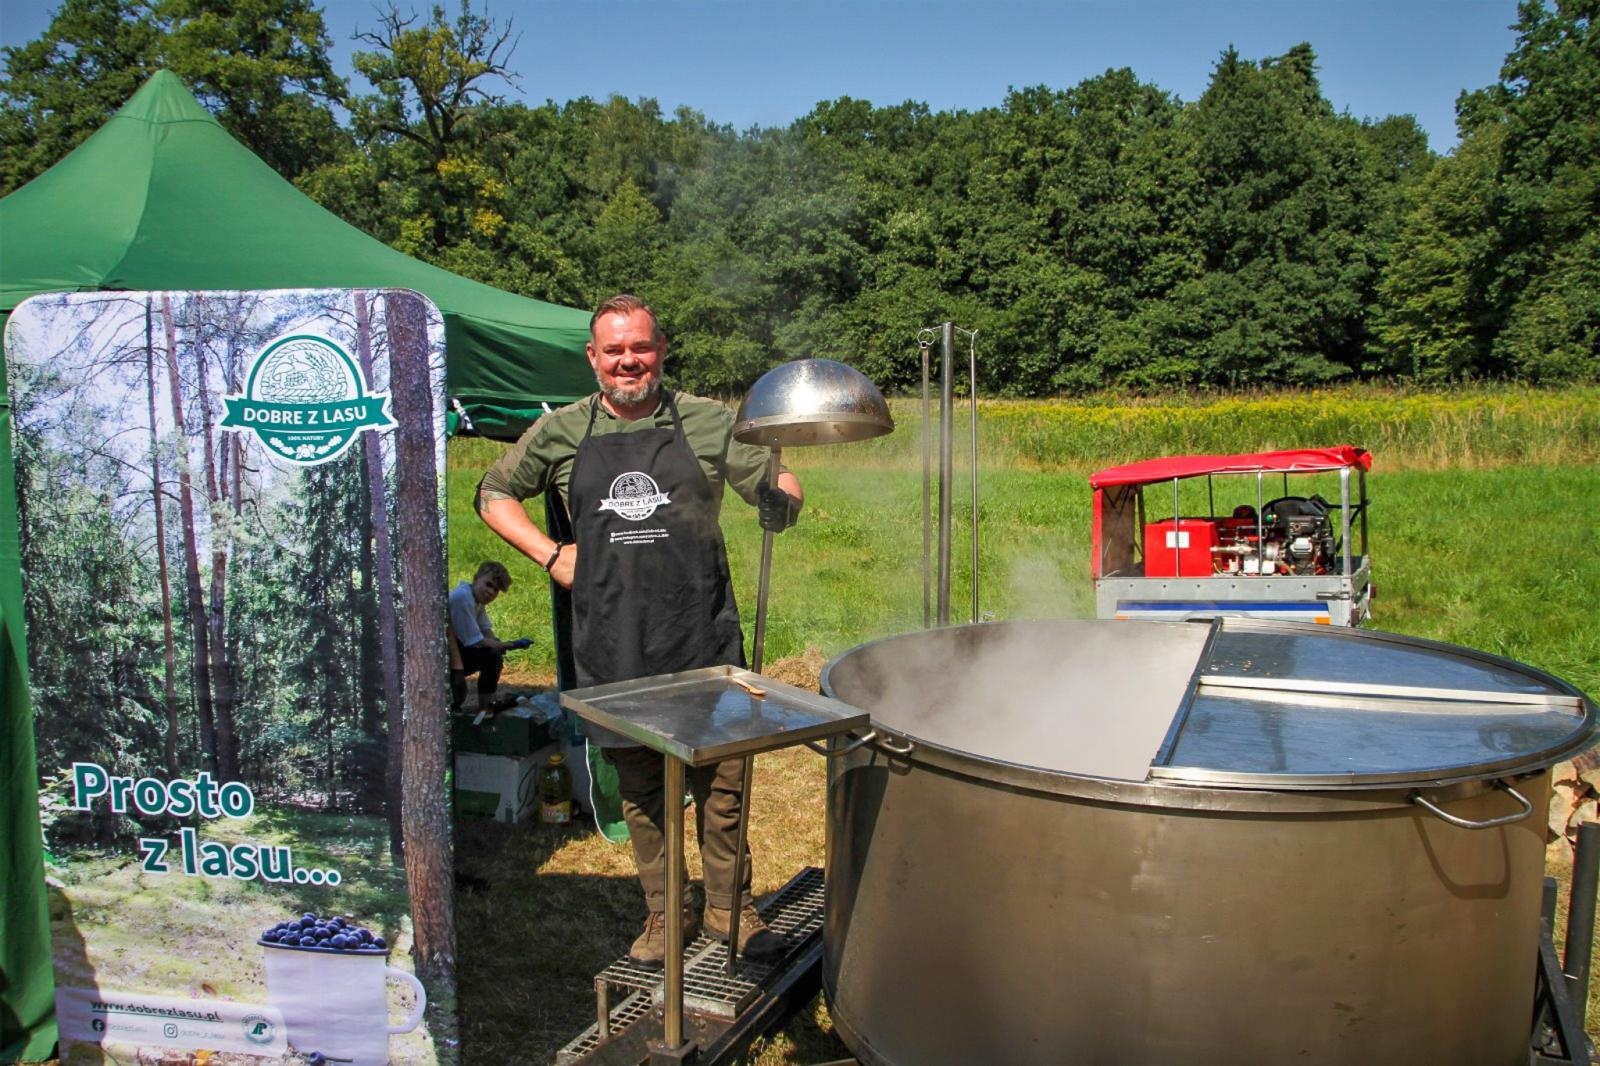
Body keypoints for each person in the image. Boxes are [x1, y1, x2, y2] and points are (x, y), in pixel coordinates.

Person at [475, 293, 803, 969]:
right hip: (613, 642)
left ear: (660, 350)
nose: (630, 361)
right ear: (594, 358)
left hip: (702, 637)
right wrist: (550, 553)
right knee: (645, 797)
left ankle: (731, 911)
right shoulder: (562, 431)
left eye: (641, 347)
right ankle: (663, 916)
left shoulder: (710, 422)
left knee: (723, 787)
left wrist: (783, 500)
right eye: (615, 350)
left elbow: (780, 476)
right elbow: (494, 492)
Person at [448, 560, 515, 712]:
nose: (491, 592)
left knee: (494, 653)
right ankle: (483, 706)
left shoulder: (476, 600)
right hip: (444, 657)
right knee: (492, 656)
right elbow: (475, 641)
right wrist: (508, 645)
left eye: (496, 590)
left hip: (455, 651)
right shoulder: (463, 598)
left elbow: (486, 630)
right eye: (489, 584)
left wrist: (498, 643)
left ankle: (485, 706)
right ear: (476, 578)